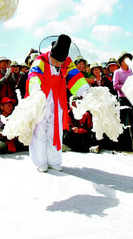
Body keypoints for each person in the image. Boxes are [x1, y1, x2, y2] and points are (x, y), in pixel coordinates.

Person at [27, 34, 89, 172]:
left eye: (61, 62)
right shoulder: (40, 60)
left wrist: (85, 92)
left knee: (56, 130)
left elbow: (76, 78)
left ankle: (54, 160)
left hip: (58, 100)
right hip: (42, 98)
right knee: (40, 129)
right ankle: (40, 162)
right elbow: (33, 75)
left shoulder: (67, 62)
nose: (58, 64)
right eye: (55, 61)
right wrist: (36, 90)